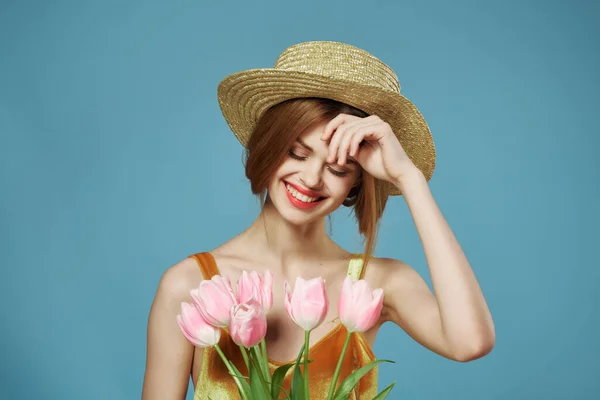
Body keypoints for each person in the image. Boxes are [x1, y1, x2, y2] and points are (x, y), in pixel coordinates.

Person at [141, 41, 495, 399]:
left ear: (356, 182)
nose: (311, 179)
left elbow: (470, 343)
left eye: (338, 168)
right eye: (296, 153)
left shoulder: (376, 283)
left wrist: (408, 178)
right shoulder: (191, 285)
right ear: (267, 147)